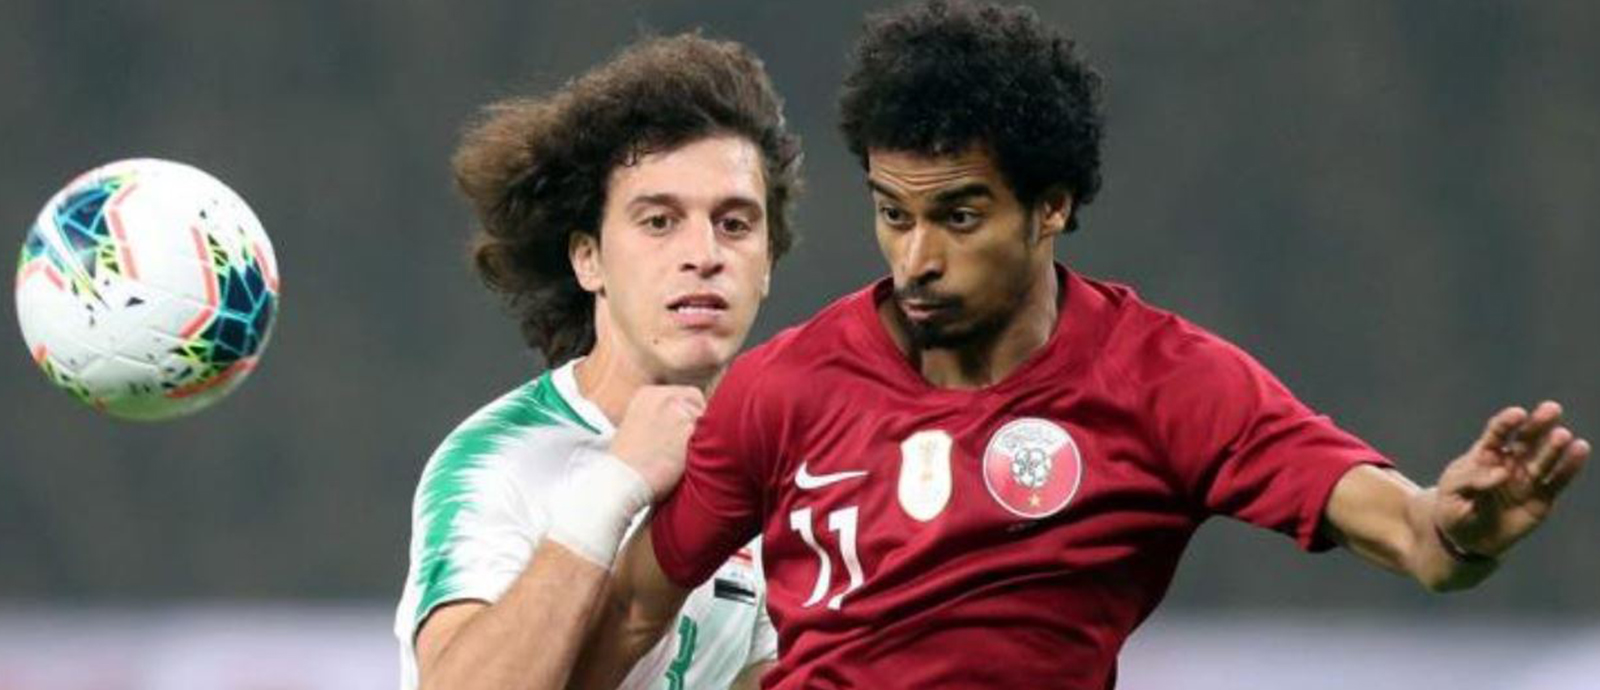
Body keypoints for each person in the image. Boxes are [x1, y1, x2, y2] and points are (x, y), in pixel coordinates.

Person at [568, 2, 1592, 688]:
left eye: (959, 217)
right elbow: (628, 618)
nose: (916, 258)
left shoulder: (1167, 385)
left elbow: (1416, 540)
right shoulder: (783, 389)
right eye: (892, 213)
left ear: (1051, 206)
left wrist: (1461, 527)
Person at [392, 34, 802, 690]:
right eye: (659, 221)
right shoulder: (496, 460)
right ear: (588, 259)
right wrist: (614, 486)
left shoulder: (776, 468)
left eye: (734, 224)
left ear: (768, 264)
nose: (704, 254)